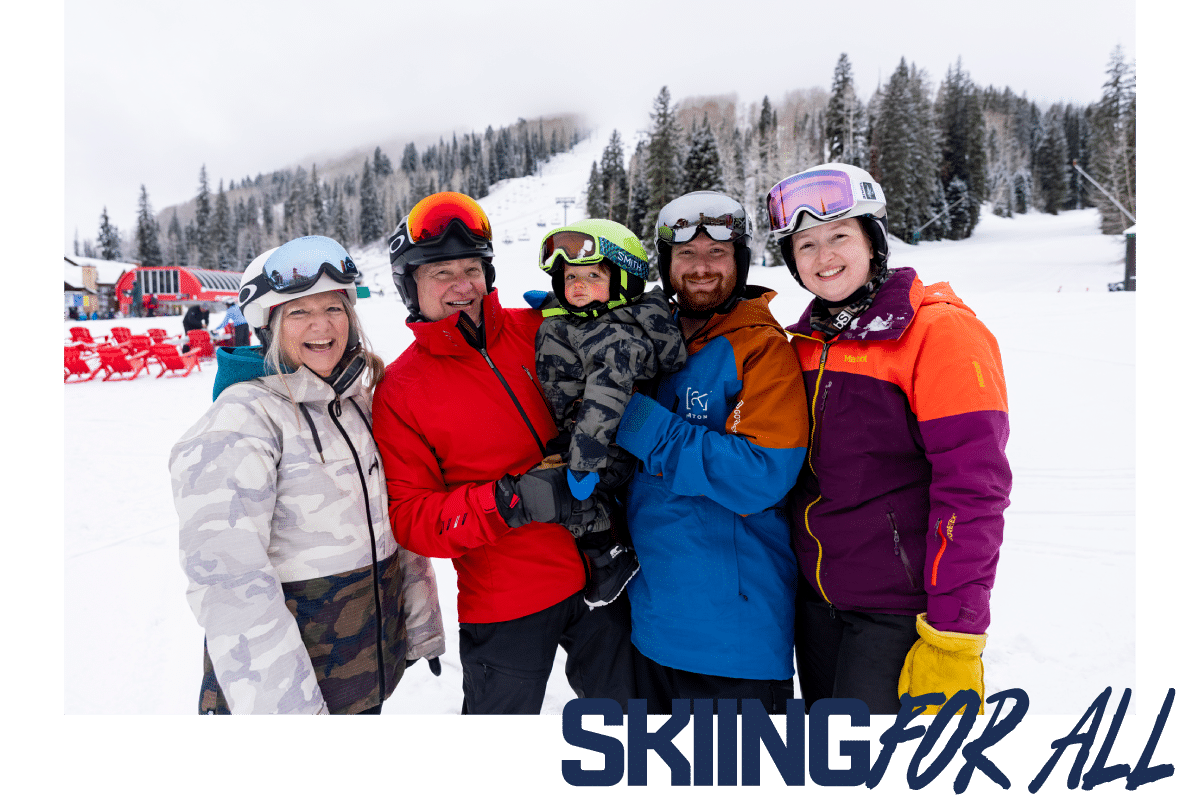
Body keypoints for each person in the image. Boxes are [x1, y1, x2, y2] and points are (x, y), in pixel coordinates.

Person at [372, 191, 635, 714]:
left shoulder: (542, 329)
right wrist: (509, 501)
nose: (461, 285)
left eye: (472, 267)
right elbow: (411, 518)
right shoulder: (401, 390)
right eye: (440, 273)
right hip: (506, 601)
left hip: (602, 575)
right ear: (410, 287)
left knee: (631, 730)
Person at [766, 163, 1011, 715]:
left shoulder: (939, 332)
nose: (823, 257)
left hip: (897, 612)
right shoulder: (803, 342)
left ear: (873, 242)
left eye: (839, 237)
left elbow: (974, 492)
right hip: (817, 605)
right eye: (805, 245)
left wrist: (954, 633)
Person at [170, 235, 445, 714]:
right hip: (285, 699)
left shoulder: (358, 401)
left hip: (360, 680)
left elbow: (394, 526)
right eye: (298, 312)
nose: (322, 326)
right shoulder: (241, 422)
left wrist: (419, 625)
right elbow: (231, 586)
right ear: (269, 326)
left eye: (334, 308)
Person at [612, 191, 809, 713]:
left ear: (740, 262)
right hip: (651, 624)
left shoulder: (762, 349)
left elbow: (760, 475)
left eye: (717, 254)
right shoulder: (651, 340)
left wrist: (640, 422)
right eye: (686, 255)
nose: (701, 268)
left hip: (732, 639)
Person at [533, 218, 687, 607]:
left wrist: (583, 464)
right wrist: (554, 310)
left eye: (592, 277)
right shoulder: (592, 319)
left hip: (604, 443)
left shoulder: (615, 339)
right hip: (586, 430)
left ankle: (608, 557)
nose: (577, 287)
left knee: (564, 495)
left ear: (623, 282)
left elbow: (605, 400)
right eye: (569, 279)